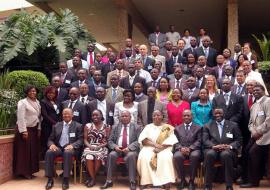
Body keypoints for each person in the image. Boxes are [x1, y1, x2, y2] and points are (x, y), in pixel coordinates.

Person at [137, 110, 178, 189]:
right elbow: (143, 140)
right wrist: (154, 145)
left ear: (162, 116)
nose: (156, 117)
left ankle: (165, 181)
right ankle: (146, 181)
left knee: (166, 157)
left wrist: (160, 148)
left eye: (158, 115)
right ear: (152, 117)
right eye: (154, 115)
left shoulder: (167, 128)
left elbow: (171, 141)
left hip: (164, 148)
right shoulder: (148, 127)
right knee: (144, 157)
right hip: (149, 147)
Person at [203, 108, 242, 190]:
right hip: (213, 149)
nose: (217, 115)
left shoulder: (233, 125)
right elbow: (205, 140)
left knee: (226, 155)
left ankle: (229, 185)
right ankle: (207, 185)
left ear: (224, 114)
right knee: (209, 154)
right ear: (213, 115)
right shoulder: (207, 125)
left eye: (220, 113)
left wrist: (230, 146)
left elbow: (239, 140)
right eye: (216, 113)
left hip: (228, 150)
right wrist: (213, 146)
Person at [101, 111, 140, 190]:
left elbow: (139, 141)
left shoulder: (137, 127)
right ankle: (109, 181)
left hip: (130, 150)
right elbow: (110, 141)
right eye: (122, 116)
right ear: (119, 118)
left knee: (131, 156)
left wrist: (129, 148)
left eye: (126, 116)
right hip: (118, 149)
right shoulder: (115, 127)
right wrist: (115, 147)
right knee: (111, 155)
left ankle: (132, 181)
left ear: (130, 117)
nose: (124, 118)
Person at [44, 108, 83, 190]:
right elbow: (50, 139)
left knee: (67, 153)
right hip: (58, 147)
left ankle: (65, 179)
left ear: (72, 115)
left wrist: (73, 145)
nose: (66, 115)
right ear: (62, 116)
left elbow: (80, 140)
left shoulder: (78, 126)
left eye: (68, 113)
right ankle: (50, 179)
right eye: (64, 114)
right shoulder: (56, 125)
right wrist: (51, 145)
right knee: (49, 152)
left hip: (70, 148)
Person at [240, 84, 270, 188]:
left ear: (263, 90)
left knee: (253, 153)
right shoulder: (254, 105)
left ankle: (254, 181)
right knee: (247, 152)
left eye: (257, 90)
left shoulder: (267, 101)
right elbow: (250, 123)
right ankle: (250, 179)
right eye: (253, 90)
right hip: (256, 136)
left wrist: (259, 132)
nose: (255, 92)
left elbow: (269, 120)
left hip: (266, 136)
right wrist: (253, 131)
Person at [14, 85, 41, 179]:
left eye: (34, 91)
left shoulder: (37, 102)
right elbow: (20, 117)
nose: (33, 93)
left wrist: (39, 128)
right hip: (25, 130)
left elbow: (39, 117)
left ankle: (31, 171)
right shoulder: (22, 102)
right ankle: (24, 172)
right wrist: (24, 131)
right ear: (27, 92)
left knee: (32, 151)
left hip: (34, 129)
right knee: (24, 152)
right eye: (30, 91)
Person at [173, 110, 202, 190]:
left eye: (188, 115)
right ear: (182, 117)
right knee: (177, 156)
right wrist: (180, 148)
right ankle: (182, 180)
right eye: (184, 115)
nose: (186, 117)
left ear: (192, 116)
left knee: (195, 156)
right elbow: (175, 141)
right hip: (181, 149)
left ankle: (192, 181)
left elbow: (199, 141)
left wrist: (190, 148)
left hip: (194, 149)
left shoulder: (198, 128)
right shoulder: (177, 128)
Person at [82, 109, 110, 187]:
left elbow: (108, 140)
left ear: (101, 116)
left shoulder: (107, 126)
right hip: (90, 146)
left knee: (98, 157)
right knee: (88, 156)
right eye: (93, 115)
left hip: (102, 147)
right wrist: (89, 146)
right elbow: (85, 139)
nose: (95, 117)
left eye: (97, 115)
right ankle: (93, 178)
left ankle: (92, 178)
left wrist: (100, 146)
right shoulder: (87, 126)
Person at [40, 86, 60, 159]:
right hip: (47, 125)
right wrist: (55, 123)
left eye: (53, 93)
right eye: (49, 93)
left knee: (54, 140)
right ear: (46, 93)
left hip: (56, 125)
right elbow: (45, 115)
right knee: (47, 140)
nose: (51, 94)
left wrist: (59, 123)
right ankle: (45, 157)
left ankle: (53, 155)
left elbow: (59, 113)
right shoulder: (43, 101)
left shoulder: (57, 101)